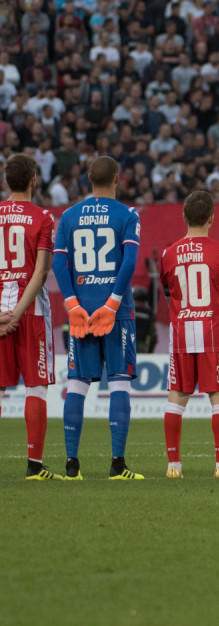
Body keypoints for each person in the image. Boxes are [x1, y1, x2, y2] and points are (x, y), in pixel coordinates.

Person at [52, 156, 143, 480]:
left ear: (88, 177)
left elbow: (59, 265)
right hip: (115, 312)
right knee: (119, 381)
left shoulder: (68, 215)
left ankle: (71, 465)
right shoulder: (127, 215)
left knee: (76, 384)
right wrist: (113, 303)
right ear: (118, 178)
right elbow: (129, 262)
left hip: (81, 313)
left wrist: (73, 304)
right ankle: (118, 464)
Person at [159, 190, 219, 479]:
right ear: (211, 218)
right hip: (213, 333)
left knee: (176, 397)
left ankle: (174, 464)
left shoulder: (168, 253)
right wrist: (215, 320)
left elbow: (169, 294)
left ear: (184, 216)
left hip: (181, 333)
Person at [0, 153, 59, 479]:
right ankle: (34, 466)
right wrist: (17, 314)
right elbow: (40, 273)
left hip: (0, 307)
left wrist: (2, 317)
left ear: (6, 180)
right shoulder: (43, 218)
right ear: (34, 180)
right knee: (36, 387)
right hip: (30, 311)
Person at [133, 286, 157, 353]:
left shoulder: (126, 311)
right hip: (142, 347)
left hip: (126, 345)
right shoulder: (148, 313)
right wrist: (149, 352)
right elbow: (153, 336)